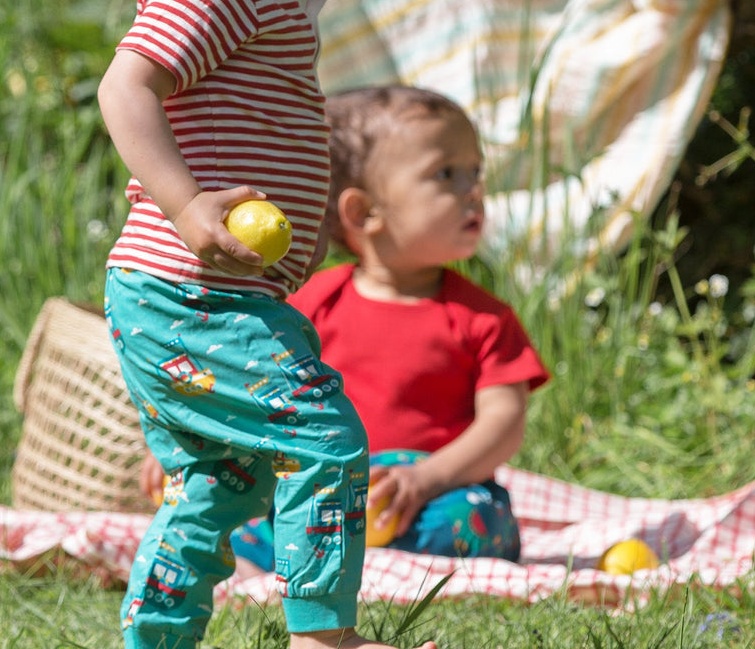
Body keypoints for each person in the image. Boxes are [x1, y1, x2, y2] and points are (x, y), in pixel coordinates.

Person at [97, 0, 426, 649]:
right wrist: (191, 204)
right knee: (326, 437)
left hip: (198, 295)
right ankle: (322, 637)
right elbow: (127, 89)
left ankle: (155, 636)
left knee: (224, 481)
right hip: (188, 292)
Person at [198, 85, 550, 571]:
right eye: (446, 174)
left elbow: (504, 424)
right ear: (364, 213)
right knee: (235, 497)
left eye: (476, 172)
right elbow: (249, 380)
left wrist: (426, 479)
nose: (474, 191)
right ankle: (288, 555)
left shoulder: (485, 317)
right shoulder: (315, 301)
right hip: (321, 479)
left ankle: (316, 563)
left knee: (472, 519)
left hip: (433, 489)